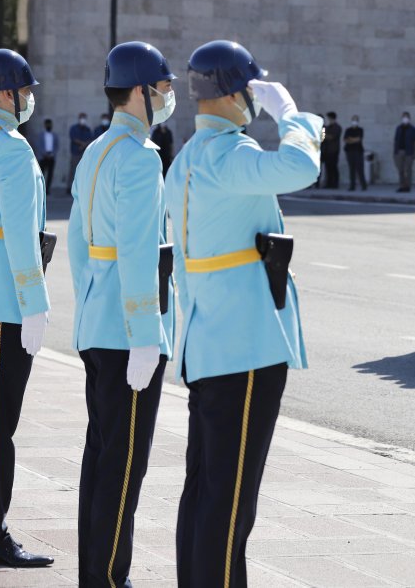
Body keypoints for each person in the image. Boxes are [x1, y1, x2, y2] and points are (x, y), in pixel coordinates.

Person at [165, 40, 322, 588]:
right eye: (250, 92)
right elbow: (300, 165)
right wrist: (293, 115)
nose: (255, 103)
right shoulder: (228, 154)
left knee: (207, 494)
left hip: (212, 342)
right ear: (232, 94)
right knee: (231, 506)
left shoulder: (188, 157)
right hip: (245, 346)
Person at [67, 41, 176, 586]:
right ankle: (110, 577)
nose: (169, 95)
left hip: (97, 323)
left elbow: (79, 248)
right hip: (124, 334)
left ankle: (97, 573)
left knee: (101, 459)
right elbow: (139, 255)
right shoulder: (138, 159)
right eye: (163, 86)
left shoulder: (96, 151)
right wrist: (145, 334)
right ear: (140, 91)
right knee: (122, 467)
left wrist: (89, 308)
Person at [0, 48, 53, 569]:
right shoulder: (11, 149)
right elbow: (23, 240)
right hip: (2, 305)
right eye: (25, 91)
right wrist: (36, 305)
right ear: (8, 92)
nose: (27, 100)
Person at [68, 112, 93, 194]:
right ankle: (69, 188)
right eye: (81, 118)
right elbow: (73, 138)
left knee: (84, 171)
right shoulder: (73, 128)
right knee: (73, 171)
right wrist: (82, 144)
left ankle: (82, 188)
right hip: (75, 153)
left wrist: (83, 145)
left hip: (84, 154)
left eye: (84, 118)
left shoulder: (88, 129)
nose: (83, 120)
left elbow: (90, 139)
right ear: (79, 119)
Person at [393, 112, 415, 192]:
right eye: (404, 117)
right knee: (400, 170)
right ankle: (402, 185)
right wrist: (394, 152)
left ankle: (408, 186)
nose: (405, 119)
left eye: (406, 117)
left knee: (408, 169)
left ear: (409, 119)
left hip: (409, 152)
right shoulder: (398, 128)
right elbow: (396, 140)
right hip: (399, 151)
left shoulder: (412, 129)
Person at [34, 118, 58, 193]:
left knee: (50, 174)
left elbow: (57, 146)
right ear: (45, 125)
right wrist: (43, 153)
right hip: (43, 156)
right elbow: (38, 145)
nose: (49, 126)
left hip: (51, 156)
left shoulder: (54, 135)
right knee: (42, 174)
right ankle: (41, 189)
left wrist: (52, 154)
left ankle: (47, 190)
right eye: (47, 124)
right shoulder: (41, 135)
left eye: (50, 124)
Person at [343, 115, 366, 191]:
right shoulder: (348, 130)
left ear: (358, 121)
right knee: (351, 169)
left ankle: (363, 185)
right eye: (353, 120)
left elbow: (358, 139)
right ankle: (352, 186)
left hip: (358, 151)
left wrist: (351, 139)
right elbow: (345, 140)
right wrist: (353, 139)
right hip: (349, 151)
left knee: (360, 169)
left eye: (355, 120)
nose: (354, 121)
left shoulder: (360, 130)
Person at [321, 111, 341, 189]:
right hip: (327, 151)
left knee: (333, 168)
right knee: (328, 168)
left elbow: (331, 137)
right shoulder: (327, 127)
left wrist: (324, 135)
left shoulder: (337, 127)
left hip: (334, 151)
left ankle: (335, 184)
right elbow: (322, 138)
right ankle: (329, 183)